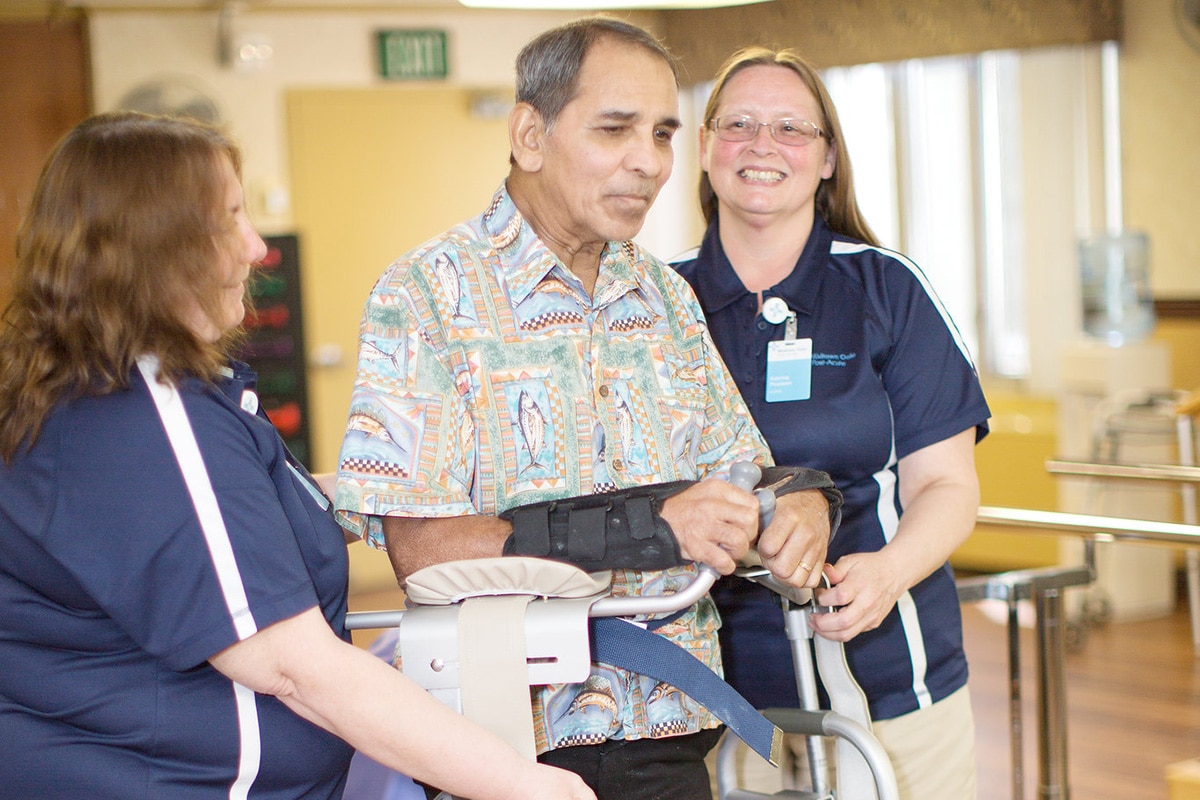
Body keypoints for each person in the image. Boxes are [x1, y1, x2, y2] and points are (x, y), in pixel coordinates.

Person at [0, 111, 593, 800]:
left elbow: (240, 512)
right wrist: (529, 786)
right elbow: (298, 668)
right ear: (154, 247)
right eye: (229, 220)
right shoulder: (142, 417)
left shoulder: (100, 396)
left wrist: (448, 484)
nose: (256, 248)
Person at [334, 19, 840, 800]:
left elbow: (739, 470)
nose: (649, 162)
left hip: (672, 730)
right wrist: (652, 527)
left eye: (664, 134)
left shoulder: (666, 297)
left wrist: (797, 498)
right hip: (506, 743)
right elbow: (425, 552)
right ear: (529, 135)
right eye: (615, 129)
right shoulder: (426, 296)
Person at [671, 47, 991, 799]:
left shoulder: (888, 289)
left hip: (890, 678)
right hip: (712, 691)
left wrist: (887, 572)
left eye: (790, 128)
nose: (762, 144)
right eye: (739, 123)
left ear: (827, 159)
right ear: (708, 146)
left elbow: (947, 485)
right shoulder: (659, 304)